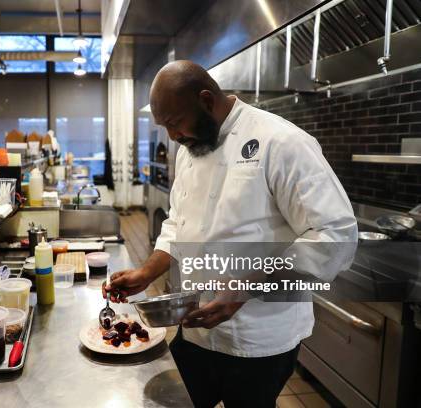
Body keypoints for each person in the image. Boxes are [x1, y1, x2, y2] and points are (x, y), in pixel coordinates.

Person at [103, 60, 358, 407]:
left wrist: (243, 289)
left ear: (206, 100)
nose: (172, 137)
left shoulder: (281, 142)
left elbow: (334, 235)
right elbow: (180, 221)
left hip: (259, 339)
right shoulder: (189, 149)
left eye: (175, 123)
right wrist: (147, 272)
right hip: (194, 330)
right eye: (165, 127)